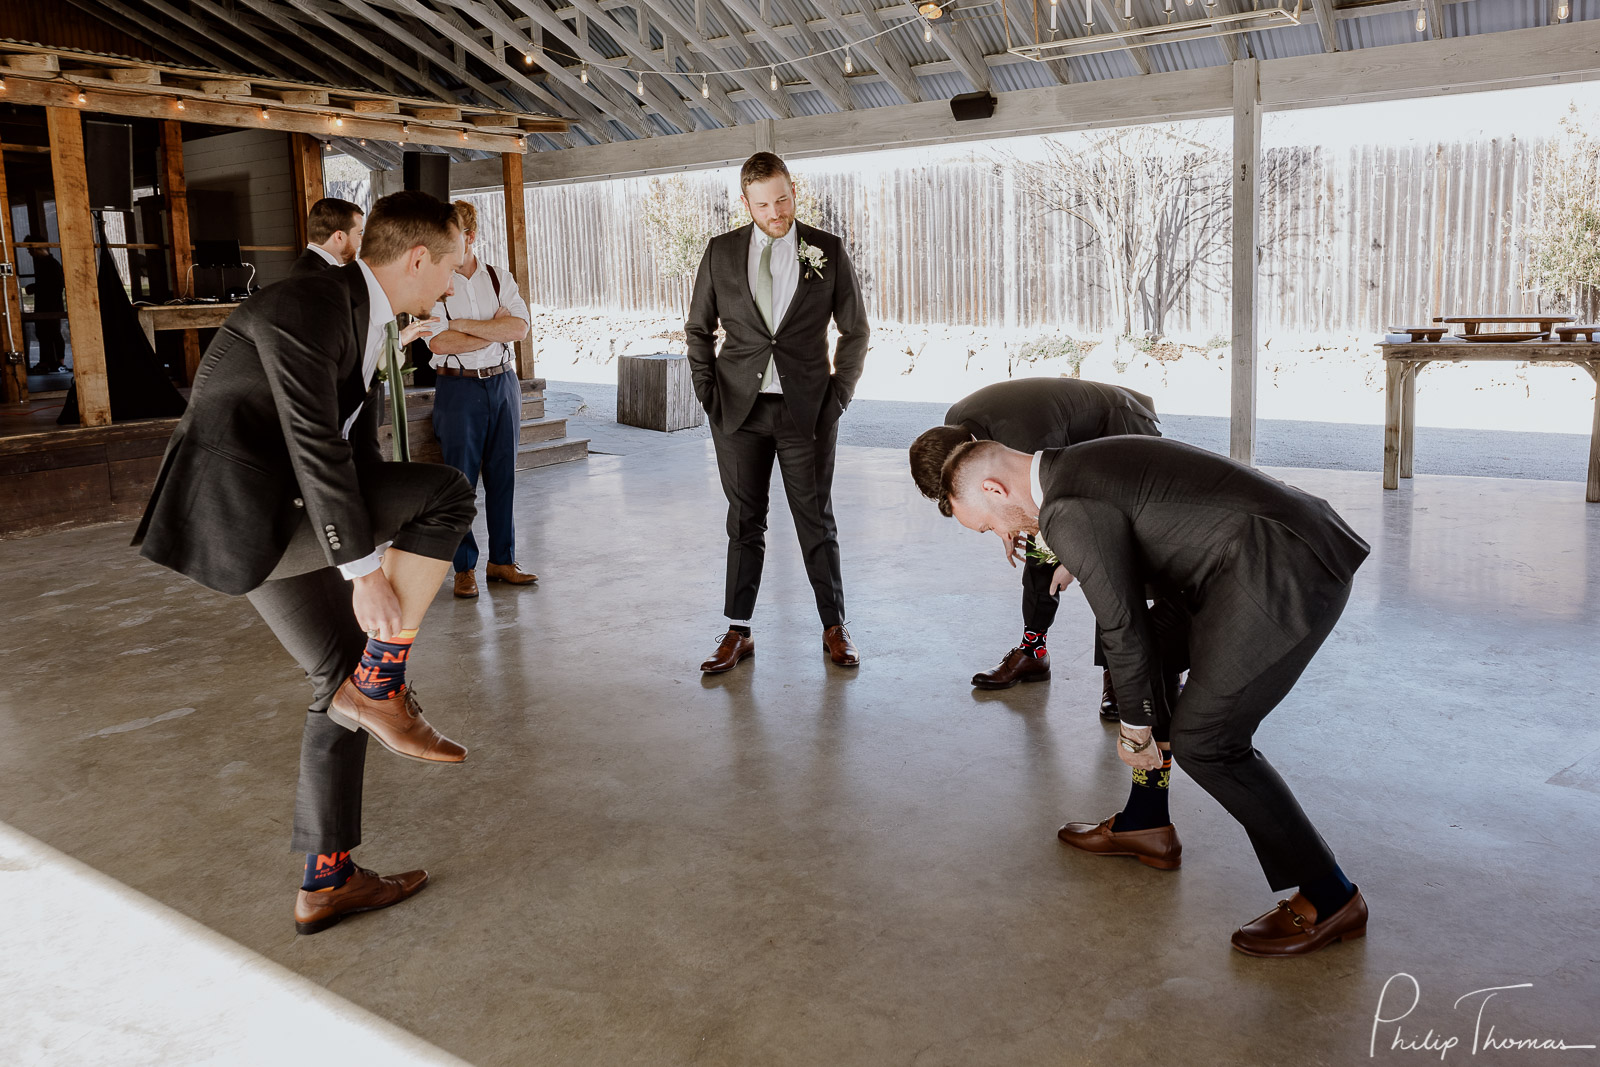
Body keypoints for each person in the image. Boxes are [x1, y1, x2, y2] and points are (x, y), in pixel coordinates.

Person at [132, 191, 476, 936]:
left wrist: (378, 543)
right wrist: (364, 571)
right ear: (417, 258)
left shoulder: (361, 313)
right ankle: (384, 683)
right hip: (238, 517)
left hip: (281, 507)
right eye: (452, 264)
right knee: (447, 494)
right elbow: (313, 443)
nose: (457, 278)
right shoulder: (313, 304)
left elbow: (352, 447)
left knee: (338, 677)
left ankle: (327, 881)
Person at [937, 436, 1371, 957]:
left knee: (1208, 741)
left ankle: (1332, 897)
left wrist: (1136, 728)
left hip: (1285, 565)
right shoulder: (1070, 469)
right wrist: (1083, 555)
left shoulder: (1066, 509)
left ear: (993, 488)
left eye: (991, 525)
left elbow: (1123, 626)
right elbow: (1142, 512)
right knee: (1157, 653)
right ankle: (1147, 821)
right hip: (1245, 556)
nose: (1003, 537)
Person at [686, 152, 869, 673]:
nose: (776, 212)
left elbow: (855, 330)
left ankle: (834, 626)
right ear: (746, 203)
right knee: (744, 522)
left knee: (815, 518)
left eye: (783, 199)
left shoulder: (826, 250)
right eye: (764, 204)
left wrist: (840, 396)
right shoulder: (721, 253)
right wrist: (708, 394)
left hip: (807, 412)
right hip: (737, 413)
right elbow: (698, 329)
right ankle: (737, 631)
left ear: (795, 191)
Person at [909, 377, 1160, 711]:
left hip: (1119, 427)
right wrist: (1002, 520)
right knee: (1039, 546)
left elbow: (1067, 501)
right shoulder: (955, 426)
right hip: (1066, 442)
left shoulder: (1025, 441)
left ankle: (1121, 674)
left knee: (1108, 558)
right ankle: (1034, 652)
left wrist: (1071, 558)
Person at [423, 200, 537, 599]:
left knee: (504, 477)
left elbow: (519, 329)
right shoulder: (434, 282)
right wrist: (493, 327)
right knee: (461, 482)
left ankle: (501, 561)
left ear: (469, 237)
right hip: (458, 388)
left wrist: (463, 326)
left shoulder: (499, 277)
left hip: (503, 385)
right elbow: (438, 340)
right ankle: (464, 568)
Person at [23, 236, 66, 374]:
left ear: (37, 248)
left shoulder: (51, 264)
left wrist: (34, 288)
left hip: (51, 305)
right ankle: (47, 361)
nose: (29, 252)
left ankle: (59, 362)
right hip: (46, 304)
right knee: (44, 333)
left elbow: (57, 285)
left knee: (52, 333)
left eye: (30, 249)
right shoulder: (45, 263)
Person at [291, 198, 365, 275]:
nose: (362, 241)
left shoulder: (306, 268)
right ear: (340, 236)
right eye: (359, 234)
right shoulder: (319, 277)